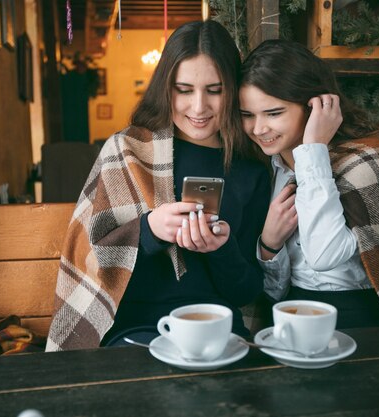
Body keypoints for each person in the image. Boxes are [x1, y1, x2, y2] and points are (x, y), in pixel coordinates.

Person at [46, 20, 270, 351]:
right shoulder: (128, 150)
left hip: (218, 333)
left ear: (233, 89)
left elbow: (247, 293)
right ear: (166, 87)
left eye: (215, 90)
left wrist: (223, 249)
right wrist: (149, 230)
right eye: (184, 90)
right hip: (137, 331)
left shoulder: (251, 168)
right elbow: (90, 262)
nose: (198, 107)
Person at [238, 40, 379, 328]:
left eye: (274, 113)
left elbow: (324, 255)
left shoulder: (363, 158)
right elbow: (273, 290)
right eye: (247, 115)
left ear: (314, 105)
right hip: (289, 308)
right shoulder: (265, 168)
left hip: (360, 310)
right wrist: (269, 245)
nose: (259, 129)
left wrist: (313, 149)